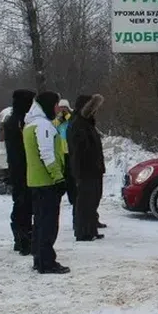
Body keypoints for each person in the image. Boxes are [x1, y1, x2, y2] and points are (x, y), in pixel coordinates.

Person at [25, 91, 69, 274]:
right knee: (48, 224)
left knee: (40, 222)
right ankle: (47, 262)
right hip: (46, 182)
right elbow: (47, 153)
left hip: (36, 181)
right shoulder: (43, 126)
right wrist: (58, 177)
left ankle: (39, 258)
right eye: (56, 104)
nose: (57, 108)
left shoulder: (31, 124)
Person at [67, 94, 106, 241]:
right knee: (85, 201)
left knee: (92, 200)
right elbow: (78, 151)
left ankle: (90, 228)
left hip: (93, 169)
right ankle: (83, 231)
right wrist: (79, 172)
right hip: (85, 170)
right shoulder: (78, 124)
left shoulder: (87, 124)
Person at [4, 89, 36, 254]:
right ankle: (22, 238)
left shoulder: (16, 120)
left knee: (23, 204)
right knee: (22, 204)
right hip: (21, 168)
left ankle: (22, 237)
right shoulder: (17, 122)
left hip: (20, 167)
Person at [55, 99, 76, 208]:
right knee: (65, 177)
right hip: (61, 152)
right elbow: (53, 127)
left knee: (71, 176)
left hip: (70, 151)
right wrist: (59, 119)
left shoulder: (71, 118)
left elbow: (73, 124)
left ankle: (72, 196)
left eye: (65, 108)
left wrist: (67, 116)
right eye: (61, 108)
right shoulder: (57, 119)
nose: (63, 110)